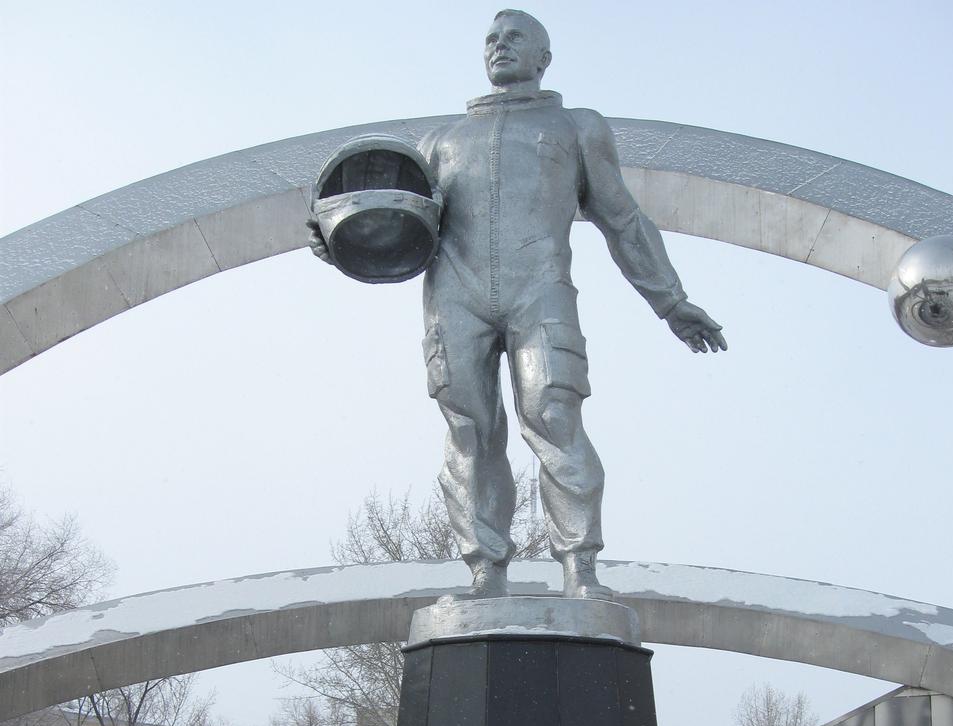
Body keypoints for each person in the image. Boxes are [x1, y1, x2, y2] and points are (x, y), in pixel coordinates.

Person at [309, 10, 726, 599]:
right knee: (469, 431)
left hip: (541, 291)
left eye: (515, 38)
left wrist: (671, 301)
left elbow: (622, 219)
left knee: (554, 416)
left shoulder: (576, 127)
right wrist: (342, 239)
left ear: (543, 58)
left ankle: (579, 566)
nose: (500, 47)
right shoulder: (440, 142)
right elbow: (402, 227)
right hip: (456, 296)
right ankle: (485, 569)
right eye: (491, 40)